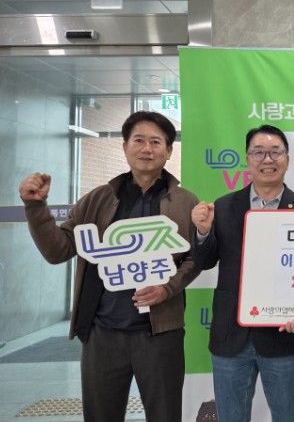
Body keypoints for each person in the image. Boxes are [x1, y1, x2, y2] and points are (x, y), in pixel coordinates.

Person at [18, 111, 199, 422]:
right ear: (125, 147)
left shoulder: (185, 202)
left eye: (156, 142)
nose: (147, 148)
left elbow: (196, 257)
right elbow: (58, 250)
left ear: (169, 151)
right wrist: (36, 207)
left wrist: (168, 288)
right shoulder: (98, 199)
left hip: (160, 334)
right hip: (102, 333)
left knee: (165, 415)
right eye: (138, 140)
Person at [191, 124, 294, 422]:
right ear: (247, 160)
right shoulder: (223, 206)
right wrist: (202, 232)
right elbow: (205, 261)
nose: (267, 159)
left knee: (287, 417)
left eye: (275, 152)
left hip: (284, 335)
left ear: (287, 159)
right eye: (258, 152)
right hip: (230, 336)